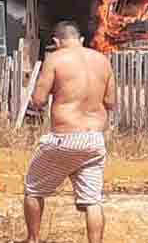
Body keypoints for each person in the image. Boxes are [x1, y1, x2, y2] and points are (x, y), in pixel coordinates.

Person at [23, 21, 116, 243]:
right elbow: (110, 102)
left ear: (56, 42)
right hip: (94, 140)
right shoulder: (102, 60)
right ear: (81, 39)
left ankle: (32, 239)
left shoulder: (55, 59)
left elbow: (38, 100)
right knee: (93, 200)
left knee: (33, 189)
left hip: (64, 138)